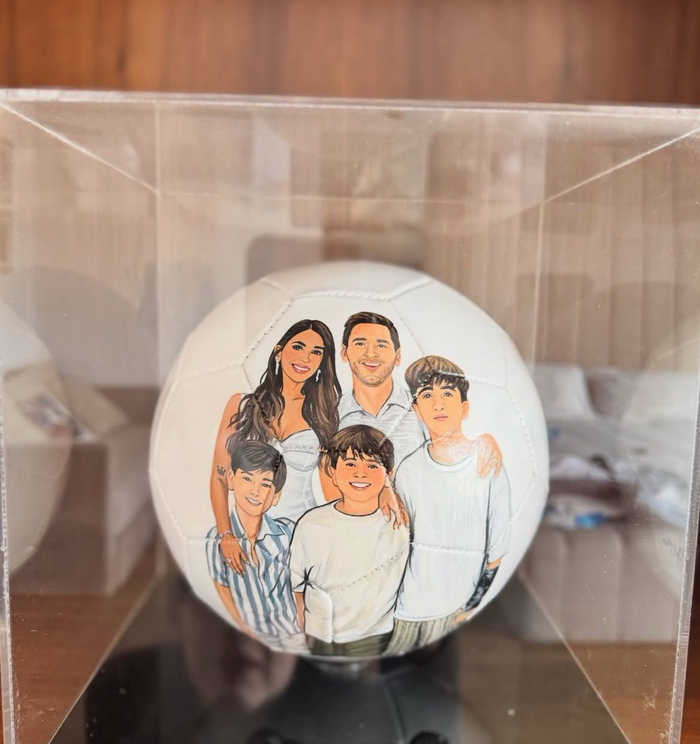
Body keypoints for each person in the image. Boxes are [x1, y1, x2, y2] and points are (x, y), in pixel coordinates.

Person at [387, 356, 511, 656]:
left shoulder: (487, 463)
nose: (438, 404)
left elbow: (498, 545)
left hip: (456, 612)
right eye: (427, 395)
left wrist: (472, 602)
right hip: (406, 610)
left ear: (464, 407)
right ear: (416, 410)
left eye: (447, 394)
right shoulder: (408, 470)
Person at [210, 319, 342, 575]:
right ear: (279, 351)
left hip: (304, 534)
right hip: (246, 532)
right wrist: (226, 534)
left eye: (316, 352)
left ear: (322, 363)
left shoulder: (325, 413)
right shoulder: (241, 405)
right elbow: (219, 476)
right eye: (298, 347)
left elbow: (333, 486)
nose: (305, 358)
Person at [289, 425, 410, 657]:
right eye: (350, 464)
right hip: (318, 636)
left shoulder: (399, 523)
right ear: (333, 471)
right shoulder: (311, 524)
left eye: (372, 465)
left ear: (389, 474)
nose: (360, 474)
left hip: (374, 637)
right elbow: (296, 589)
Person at [336, 311, 502, 472]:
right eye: (360, 344)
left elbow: (458, 439)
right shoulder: (331, 416)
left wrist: (485, 441)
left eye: (381, 345)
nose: (371, 353)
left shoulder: (423, 407)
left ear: (397, 356)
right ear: (344, 352)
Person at [206, 439, 305, 652]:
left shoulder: (287, 533)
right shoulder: (217, 540)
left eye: (265, 484)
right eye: (247, 478)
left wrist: (301, 630)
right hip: (249, 644)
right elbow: (223, 592)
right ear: (231, 478)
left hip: (293, 638)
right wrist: (247, 634)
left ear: (276, 496)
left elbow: (299, 589)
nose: (255, 490)